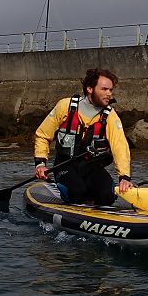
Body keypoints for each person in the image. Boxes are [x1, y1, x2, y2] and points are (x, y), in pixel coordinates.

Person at [33, 67, 132, 205]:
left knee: (106, 195)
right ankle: (68, 195)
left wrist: (124, 177)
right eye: (104, 89)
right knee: (77, 191)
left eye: (111, 90)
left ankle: (94, 202)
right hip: (65, 166)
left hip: (91, 167)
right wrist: (40, 164)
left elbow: (120, 146)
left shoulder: (110, 116)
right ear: (90, 89)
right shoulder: (65, 106)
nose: (109, 93)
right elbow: (43, 135)